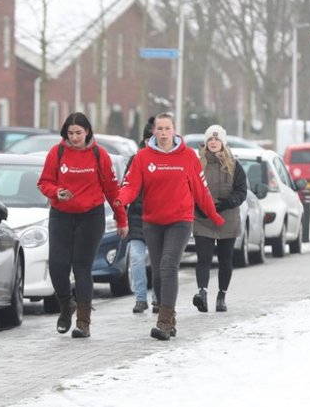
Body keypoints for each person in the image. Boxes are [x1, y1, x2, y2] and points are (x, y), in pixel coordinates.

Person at [115, 112, 224, 341]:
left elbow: (200, 190)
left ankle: (163, 322)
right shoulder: (143, 157)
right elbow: (131, 186)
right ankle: (170, 315)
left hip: (180, 220)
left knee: (168, 266)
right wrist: (120, 199)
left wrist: (214, 216)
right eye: (159, 129)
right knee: (157, 273)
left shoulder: (188, 157)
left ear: (174, 130)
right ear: (153, 131)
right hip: (153, 221)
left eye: (167, 129)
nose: (163, 133)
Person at [37, 112, 126, 338]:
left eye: (78, 133)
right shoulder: (56, 153)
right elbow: (44, 182)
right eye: (70, 133)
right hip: (61, 214)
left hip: (91, 216)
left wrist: (121, 218)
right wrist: (57, 192)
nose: (75, 138)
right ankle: (66, 306)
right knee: (58, 266)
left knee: (82, 267)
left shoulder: (99, 155)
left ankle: (83, 322)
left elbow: (112, 190)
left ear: (87, 132)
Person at [191, 125, 247, 313]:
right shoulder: (197, 163)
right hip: (202, 218)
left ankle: (221, 296)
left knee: (225, 260)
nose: (213, 142)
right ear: (206, 143)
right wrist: (198, 207)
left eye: (217, 139)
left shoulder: (234, 164)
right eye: (210, 140)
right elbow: (189, 187)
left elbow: (241, 191)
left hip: (227, 218)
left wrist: (228, 202)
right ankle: (202, 294)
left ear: (223, 142)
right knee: (203, 259)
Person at [122, 117, 158, 314]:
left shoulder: (165, 160)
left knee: (158, 260)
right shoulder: (135, 160)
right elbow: (126, 186)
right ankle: (140, 298)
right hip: (137, 219)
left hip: (159, 218)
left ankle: (158, 298)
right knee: (136, 257)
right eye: (148, 139)